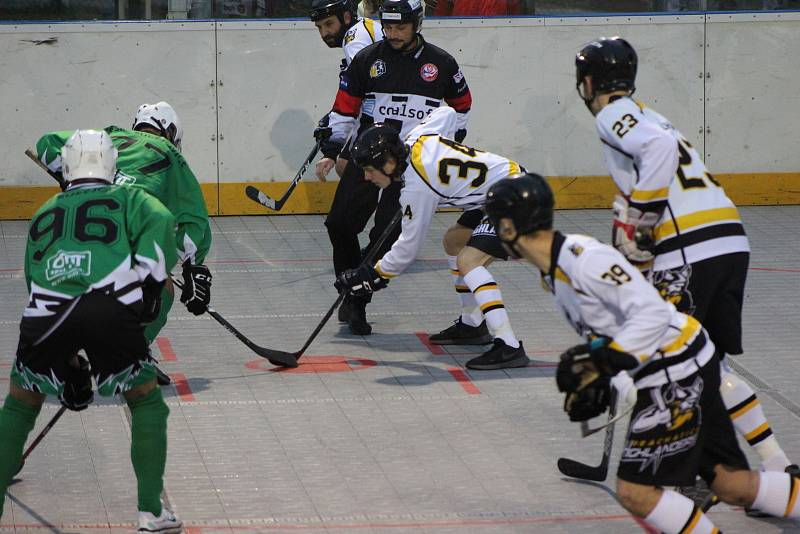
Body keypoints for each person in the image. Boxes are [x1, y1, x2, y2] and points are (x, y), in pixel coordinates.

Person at [483, 172, 800, 534]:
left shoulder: (585, 259)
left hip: (677, 370)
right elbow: (614, 327)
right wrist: (604, 370)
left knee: (636, 492)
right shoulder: (555, 271)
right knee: (731, 484)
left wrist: (606, 361)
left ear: (508, 227)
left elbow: (650, 313)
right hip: (686, 361)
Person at [574, 37, 797, 501]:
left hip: (690, 251)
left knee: (670, 365)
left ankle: (682, 476)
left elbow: (655, 152)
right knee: (706, 362)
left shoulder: (615, 113)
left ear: (588, 81)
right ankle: (777, 467)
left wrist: (639, 223)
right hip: (728, 241)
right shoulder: (650, 113)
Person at [0, 130, 183, 533]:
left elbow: (35, 281)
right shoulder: (130, 198)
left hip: (47, 312)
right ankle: (151, 512)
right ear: (112, 165)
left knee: (18, 407)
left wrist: (66, 366)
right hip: (109, 309)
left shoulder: (45, 210)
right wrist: (150, 289)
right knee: (146, 402)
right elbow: (164, 223)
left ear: (66, 168)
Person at [317, 0, 472, 335]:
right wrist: (331, 147)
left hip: (410, 168)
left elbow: (462, 108)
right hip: (367, 156)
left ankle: (357, 300)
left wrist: (443, 146)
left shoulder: (442, 64)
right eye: (388, 27)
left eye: (401, 27)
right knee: (339, 224)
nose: (393, 34)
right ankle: (351, 281)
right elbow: (345, 110)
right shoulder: (367, 59)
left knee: (386, 236)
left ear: (417, 23)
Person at [335, 106, 529, 369]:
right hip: (501, 189)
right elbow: (448, 113)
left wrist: (372, 276)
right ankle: (473, 324)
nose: (367, 177)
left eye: (370, 169)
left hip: (517, 194)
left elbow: (408, 249)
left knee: (469, 260)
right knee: (454, 242)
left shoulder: (418, 187)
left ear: (389, 163)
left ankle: (509, 345)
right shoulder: (417, 138)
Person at [35, 102, 213, 386]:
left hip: (69, 242)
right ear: (169, 132)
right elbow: (193, 219)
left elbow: (47, 143)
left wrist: (69, 175)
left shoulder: (106, 138)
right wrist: (194, 264)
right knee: (161, 283)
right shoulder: (170, 154)